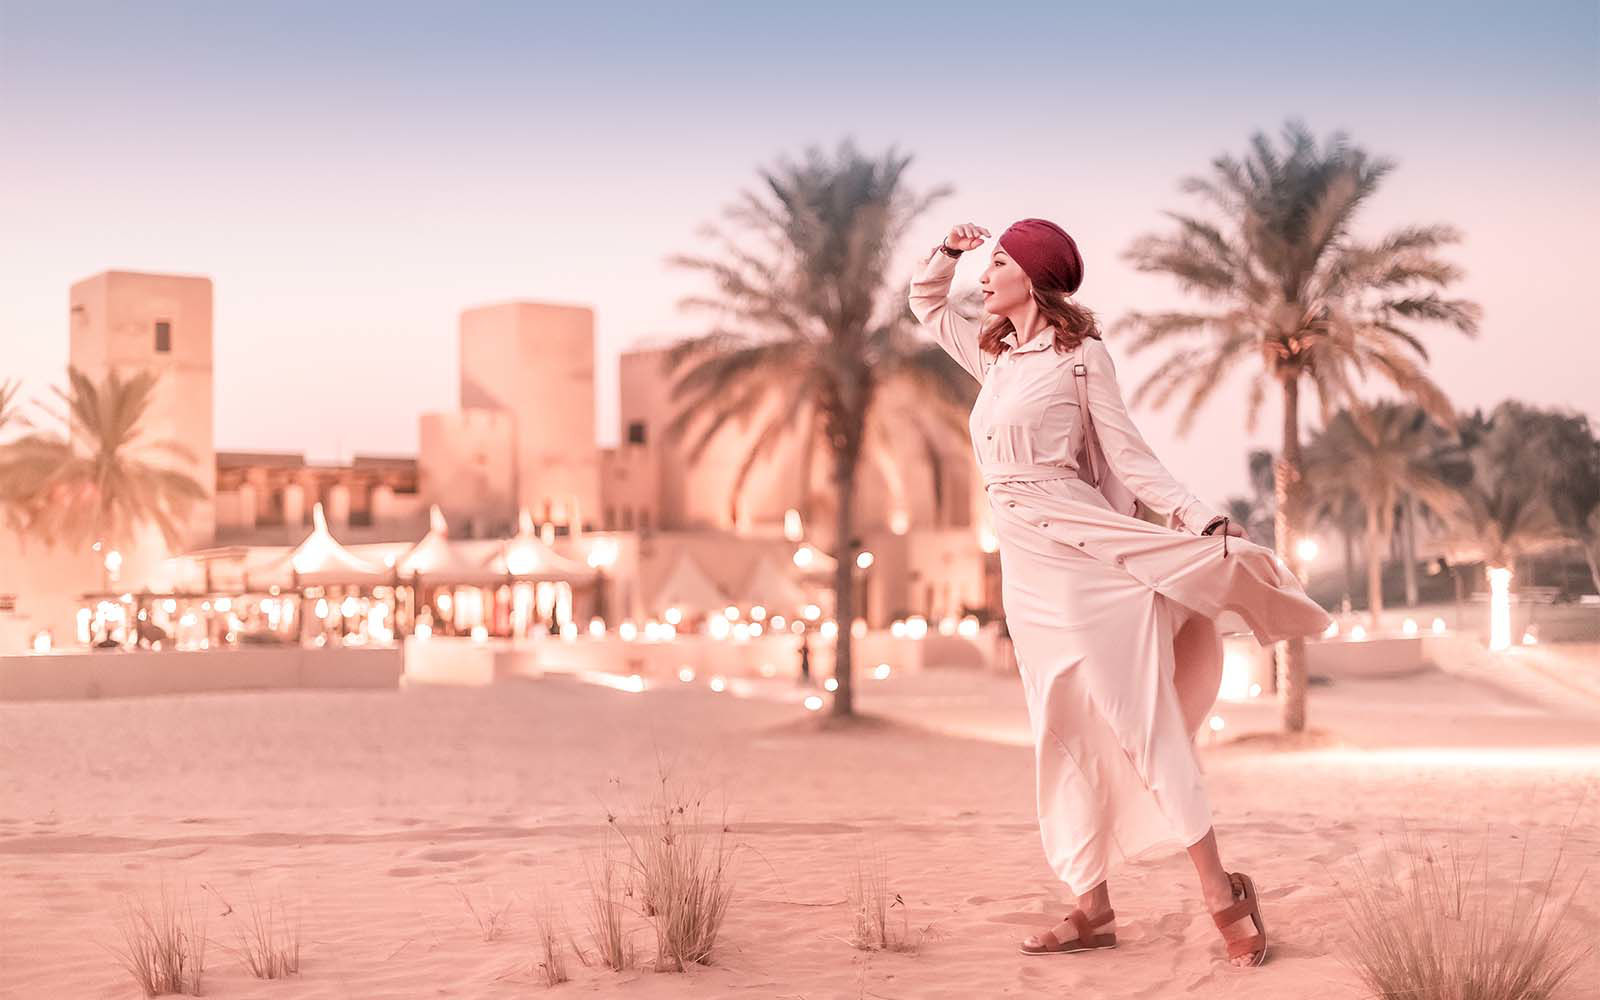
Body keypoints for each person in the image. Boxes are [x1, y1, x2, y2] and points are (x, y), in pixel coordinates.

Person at [910, 220, 1333, 969]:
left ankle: (1222, 893)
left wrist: (1199, 516)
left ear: (1034, 277)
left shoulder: (1079, 360)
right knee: (1058, 725)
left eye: (999, 260)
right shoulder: (995, 356)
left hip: (1081, 556)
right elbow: (925, 301)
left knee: (1142, 724)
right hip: (1026, 572)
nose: (987, 272)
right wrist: (948, 251)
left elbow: (1132, 459)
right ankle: (1091, 908)